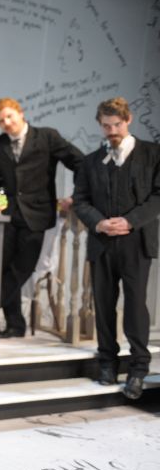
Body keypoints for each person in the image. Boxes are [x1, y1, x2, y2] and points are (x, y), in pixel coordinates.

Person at [73, 97, 160, 399]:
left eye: (117, 125)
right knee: (103, 304)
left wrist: (130, 221)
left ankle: (138, 369)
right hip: (102, 243)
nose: (112, 131)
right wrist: (99, 223)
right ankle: (107, 363)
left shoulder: (153, 154)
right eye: (106, 126)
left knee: (135, 305)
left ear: (128, 120)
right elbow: (81, 200)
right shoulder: (90, 161)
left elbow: (158, 196)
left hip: (137, 242)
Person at [0, 98, 83, 337]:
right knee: (4, 269)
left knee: (23, 268)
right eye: (1, 121)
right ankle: (15, 325)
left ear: (20, 113)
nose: (6, 123)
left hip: (37, 213)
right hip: (8, 214)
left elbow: (79, 162)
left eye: (9, 116)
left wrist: (77, 196)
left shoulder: (46, 137)